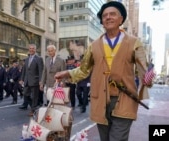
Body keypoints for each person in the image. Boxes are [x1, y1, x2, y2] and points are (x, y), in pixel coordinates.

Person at [54, 1, 153, 141]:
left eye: (112, 14)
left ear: (121, 19)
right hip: (100, 100)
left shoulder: (134, 42)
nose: (108, 17)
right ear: (102, 21)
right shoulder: (94, 45)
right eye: (105, 15)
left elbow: (143, 69)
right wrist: (68, 73)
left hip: (124, 99)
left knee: (117, 138)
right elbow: (84, 70)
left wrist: (148, 79)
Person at [19, 44, 44, 116]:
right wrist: (22, 79)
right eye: (30, 48)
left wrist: (41, 81)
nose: (31, 50)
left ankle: (33, 110)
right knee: (25, 95)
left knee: (35, 96)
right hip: (27, 81)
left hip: (35, 81)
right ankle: (34, 107)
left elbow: (40, 71)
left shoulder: (39, 59)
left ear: (35, 50)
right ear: (28, 49)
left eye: (33, 48)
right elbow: (24, 70)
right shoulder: (26, 59)